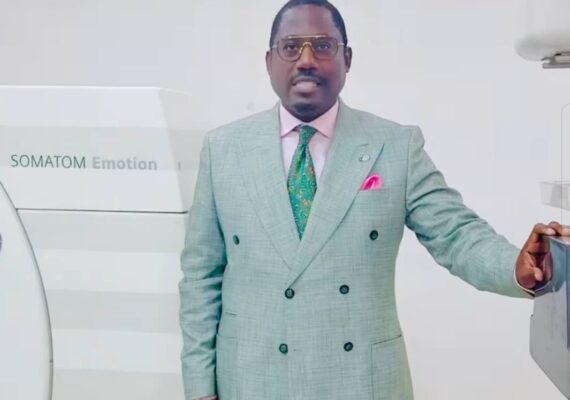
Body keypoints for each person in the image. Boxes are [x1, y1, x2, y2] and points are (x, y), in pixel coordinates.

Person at [179, 1, 570, 399]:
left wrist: (515, 265)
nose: (306, 60)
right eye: (291, 47)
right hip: (252, 380)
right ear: (269, 61)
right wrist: (200, 388)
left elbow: (456, 235)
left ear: (347, 59)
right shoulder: (223, 149)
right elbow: (200, 277)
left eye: (323, 46)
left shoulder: (394, 145)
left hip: (361, 380)